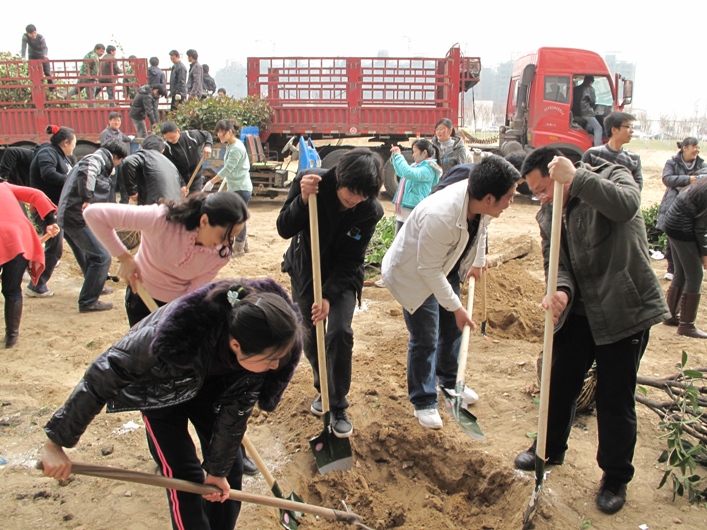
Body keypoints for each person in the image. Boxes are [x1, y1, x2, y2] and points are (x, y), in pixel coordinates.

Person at [40, 278, 303, 530]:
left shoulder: (270, 342)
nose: (276, 366)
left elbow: (236, 412)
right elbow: (102, 376)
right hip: (158, 389)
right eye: (270, 359)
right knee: (184, 478)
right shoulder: (173, 333)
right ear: (236, 344)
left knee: (230, 471)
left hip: (213, 387)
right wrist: (56, 442)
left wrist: (218, 470)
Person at [513, 147, 669, 515]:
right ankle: (548, 449)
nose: (542, 198)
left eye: (543, 189)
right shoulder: (549, 213)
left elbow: (627, 206)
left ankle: (615, 476)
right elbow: (556, 263)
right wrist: (561, 291)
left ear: (560, 172)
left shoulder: (610, 176)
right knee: (558, 382)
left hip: (623, 308)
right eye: (535, 193)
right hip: (581, 313)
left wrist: (578, 180)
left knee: (615, 398)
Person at [381, 156, 519, 428]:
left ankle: (449, 383)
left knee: (452, 330)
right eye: (510, 197)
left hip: (444, 265)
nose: (512, 202)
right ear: (489, 198)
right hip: (415, 274)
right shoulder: (441, 215)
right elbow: (428, 270)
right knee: (426, 337)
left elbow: (481, 230)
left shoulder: (481, 202)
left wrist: (478, 261)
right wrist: (456, 308)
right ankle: (424, 400)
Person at [276, 148, 384, 438]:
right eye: (352, 193)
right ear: (340, 178)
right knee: (311, 337)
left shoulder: (369, 210)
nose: (355, 200)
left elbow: (351, 259)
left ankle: (337, 404)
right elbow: (284, 228)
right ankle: (323, 387)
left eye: (363, 196)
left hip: (342, 277)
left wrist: (328, 296)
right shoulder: (311, 183)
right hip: (305, 270)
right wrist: (302, 200)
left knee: (338, 332)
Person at [57, 139, 129, 312]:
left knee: (93, 255)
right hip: (76, 218)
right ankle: (88, 301)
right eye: (119, 161)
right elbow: (87, 172)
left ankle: (96, 287)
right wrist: (87, 198)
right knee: (102, 257)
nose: (117, 165)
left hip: (76, 217)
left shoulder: (101, 163)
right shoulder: (95, 160)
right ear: (115, 156)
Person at [1, 182, 59, 348]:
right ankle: (11, 336)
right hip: (21, 236)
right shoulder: (4, 186)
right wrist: (50, 221)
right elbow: (37, 194)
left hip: (8, 237)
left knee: (11, 290)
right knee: (12, 289)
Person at [25, 125, 76, 298]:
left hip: (59, 208)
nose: (74, 146)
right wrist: (71, 180)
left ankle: (95, 280)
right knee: (55, 247)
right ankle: (36, 285)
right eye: (74, 143)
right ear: (66, 142)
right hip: (45, 210)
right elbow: (48, 174)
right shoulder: (47, 153)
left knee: (78, 243)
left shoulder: (62, 156)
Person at [661, 177, 707, 338]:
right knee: (695, 274)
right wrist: (705, 253)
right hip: (681, 227)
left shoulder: (703, 180)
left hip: (671, 222)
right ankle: (687, 325)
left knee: (680, 271)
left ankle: (670, 315)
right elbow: (701, 228)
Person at [657, 138, 704, 282]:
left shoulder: (702, 164)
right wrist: (688, 180)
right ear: (685, 148)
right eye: (694, 147)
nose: (697, 150)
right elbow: (667, 179)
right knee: (672, 237)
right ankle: (671, 268)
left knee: (690, 236)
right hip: (673, 201)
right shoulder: (672, 162)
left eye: (698, 147)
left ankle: (686, 268)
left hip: (693, 206)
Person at [203, 120, 251, 255]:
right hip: (235, 186)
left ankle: (239, 247)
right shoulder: (230, 145)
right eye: (218, 133)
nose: (219, 135)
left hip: (241, 187)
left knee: (238, 218)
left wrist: (212, 182)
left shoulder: (236, 148)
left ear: (230, 131)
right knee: (237, 217)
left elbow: (227, 169)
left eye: (222, 133)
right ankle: (243, 245)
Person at [582, 111, 642, 189]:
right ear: (614, 129)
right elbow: (581, 183)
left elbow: (637, 188)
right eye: (628, 127)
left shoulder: (634, 159)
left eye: (632, 127)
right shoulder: (593, 154)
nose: (632, 130)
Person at [120, 135, 183, 206]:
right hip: (176, 207)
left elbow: (128, 161)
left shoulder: (145, 154)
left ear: (143, 147)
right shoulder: (170, 164)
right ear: (162, 150)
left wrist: (132, 192)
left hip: (155, 206)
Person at [161, 121, 213, 193]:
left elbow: (207, 135)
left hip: (196, 177)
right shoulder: (167, 148)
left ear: (178, 131)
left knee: (195, 198)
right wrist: (182, 184)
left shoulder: (190, 136)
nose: (170, 140)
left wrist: (208, 146)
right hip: (179, 180)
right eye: (167, 138)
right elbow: (172, 169)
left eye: (172, 137)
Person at [572, 75, 602, 147]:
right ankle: (598, 146)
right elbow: (592, 102)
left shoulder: (576, 88)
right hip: (586, 113)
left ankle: (588, 137)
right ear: (591, 82)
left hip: (575, 113)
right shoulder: (590, 89)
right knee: (598, 128)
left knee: (588, 125)